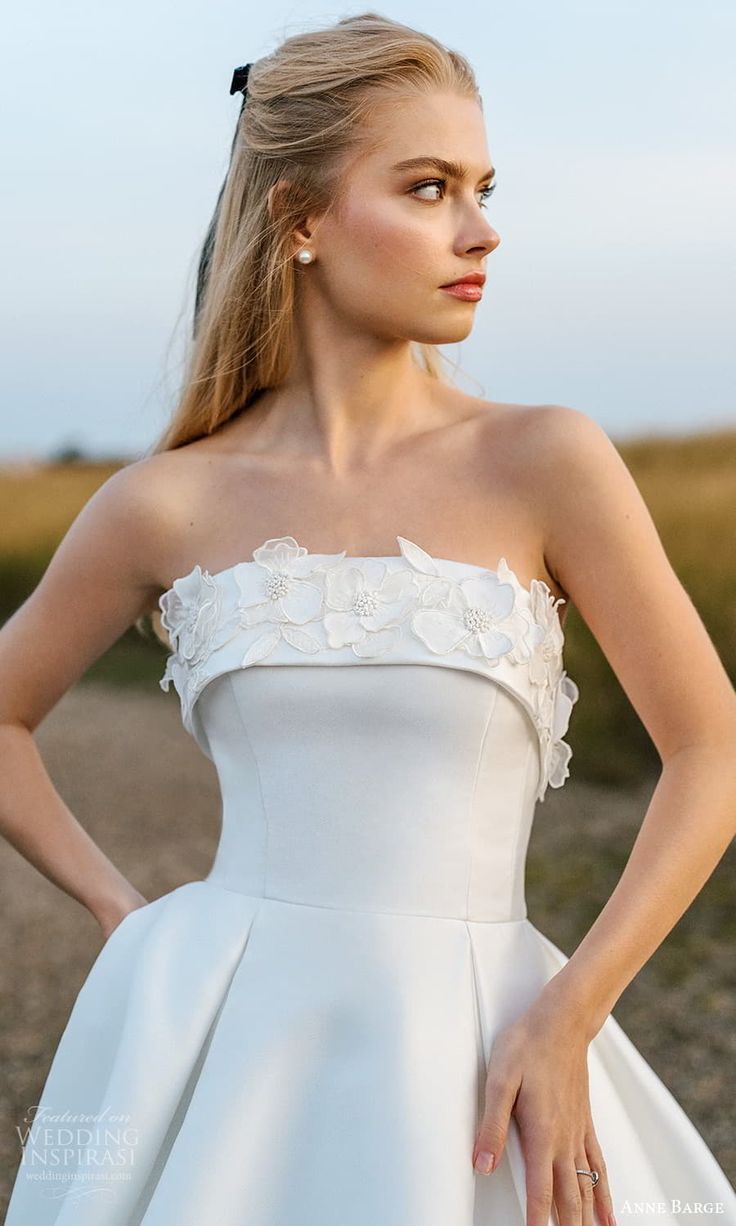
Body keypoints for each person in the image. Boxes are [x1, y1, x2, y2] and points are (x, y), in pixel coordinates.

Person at [2, 12, 736, 1226]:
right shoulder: (164, 501)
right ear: (298, 219)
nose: (482, 228)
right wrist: (127, 922)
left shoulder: (545, 459)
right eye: (429, 187)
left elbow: (711, 750)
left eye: (485, 188)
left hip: (485, 1044)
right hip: (220, 1027)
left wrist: (569, 1014)